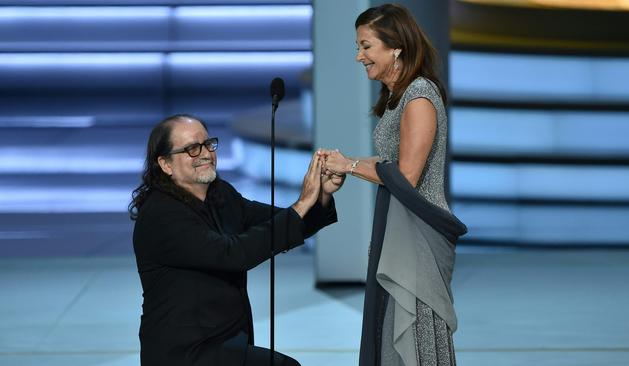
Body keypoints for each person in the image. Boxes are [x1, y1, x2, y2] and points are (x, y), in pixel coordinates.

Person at [129, 114, 344, 366]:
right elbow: (232, 254)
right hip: (185, 352)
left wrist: (321, 196)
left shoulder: (221, 195)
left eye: (208, 144)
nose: (206, 153)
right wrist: (301, 203)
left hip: (226, 342)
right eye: (191, 149)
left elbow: (285, 222)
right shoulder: (161, 214)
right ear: (165, 164)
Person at [320, 4, 467, 366]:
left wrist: (350, 166)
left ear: (396, 46)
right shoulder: (397, 98)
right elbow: (390, 165)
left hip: (418, 236)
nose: (359, 56)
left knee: (414, 334)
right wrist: (346, 164)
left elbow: (406, 177)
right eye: (359, 46)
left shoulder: (419, 97)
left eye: (366, 46)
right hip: (398, 229)